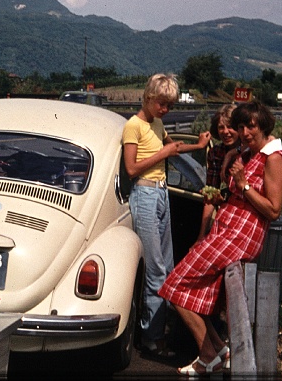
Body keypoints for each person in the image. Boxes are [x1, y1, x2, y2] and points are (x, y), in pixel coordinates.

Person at [158, 101, 282, 376]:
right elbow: (234, 195)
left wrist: (244, 185)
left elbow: (273, 210)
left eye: (250, 126)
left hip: (241, 234)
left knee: (175, 286)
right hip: (228, 230)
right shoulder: (248, 153)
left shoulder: (274, 158)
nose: (244, 132)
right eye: (241, 126)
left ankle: (209, 355)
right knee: (192, 291)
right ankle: (217, 351)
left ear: (264, 126)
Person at [123, 73, 211, 358]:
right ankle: (152, 337)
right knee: (156, 270)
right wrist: (164, 153)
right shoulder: (133, 126)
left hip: (161, 193)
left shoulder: (157, 123)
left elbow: (174, 147)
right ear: (148, 98)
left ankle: (158, 327)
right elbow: (132, 169)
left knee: (167, 264)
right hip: (145, 194)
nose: (165, 110)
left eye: (169, 106)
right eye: (161, 104)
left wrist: (197, 147)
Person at [195, 104, 239, 244]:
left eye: (230, 126)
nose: (225, 132)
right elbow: (211, 195)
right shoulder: (215, 153)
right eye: (221, 127)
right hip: (226, 213)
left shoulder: (250, 151)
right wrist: (201, 236)